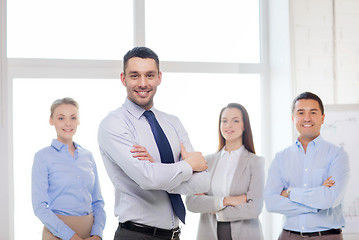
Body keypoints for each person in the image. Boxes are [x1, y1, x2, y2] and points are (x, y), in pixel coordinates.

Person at [97, 46, 210, 240]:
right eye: (134, 76)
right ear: (123, 79)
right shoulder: (113, 124)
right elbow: (148, 179)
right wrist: (189, 166)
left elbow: (203, 182)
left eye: (149, 75)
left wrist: (160, 172)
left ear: (159, 77)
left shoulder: (172, 123)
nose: (143, 83)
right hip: (136, 235)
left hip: (174, 236)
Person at [264, 92, 350, 240]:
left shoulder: (338, 155)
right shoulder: (281, 158)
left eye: (313, 112)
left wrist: (290, 192)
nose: (307, 118)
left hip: (326, 236)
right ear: (293, 118)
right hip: (288, 236)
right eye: (301, 112)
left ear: (323, 118)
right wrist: (316, 202)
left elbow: (330, 199)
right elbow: (271, 203)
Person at [186, 103, 265, 240]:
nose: (229, 125)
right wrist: (228, 200)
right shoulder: (206, 162)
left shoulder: (255, 162)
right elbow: (192, 202)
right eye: (224, 121)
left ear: (244, 125)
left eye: (235, 120)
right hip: (210, 234)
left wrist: (215, 210)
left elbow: (254, 208)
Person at [32, 97, 106, 240]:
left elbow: (98, 202)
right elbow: (39, 207)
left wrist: (97, 234)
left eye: (73, 118)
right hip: (56, 234)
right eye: (61, 118)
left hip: (90, 234)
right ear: (51, 120)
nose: (68, 123)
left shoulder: (88, 156)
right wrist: (71, 236)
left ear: (78, 120)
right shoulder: (42, 157)